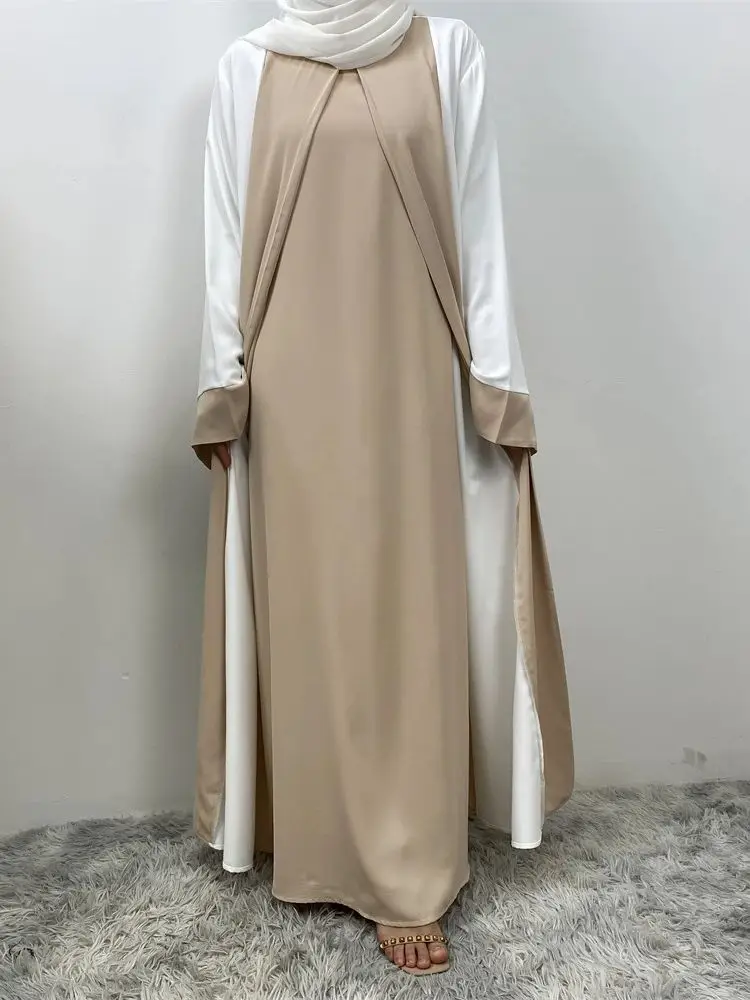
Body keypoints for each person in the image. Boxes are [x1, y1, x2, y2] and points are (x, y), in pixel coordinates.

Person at [191, 1, 574, 976]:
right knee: (310, 612)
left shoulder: (447, 48)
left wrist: (499, 383)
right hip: (291, 383)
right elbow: (225, 236)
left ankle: (410, 869)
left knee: (408, 616)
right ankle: (314, 837)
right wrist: (222, 383)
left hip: (412, 375)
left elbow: (479, 228)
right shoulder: (247, 66)